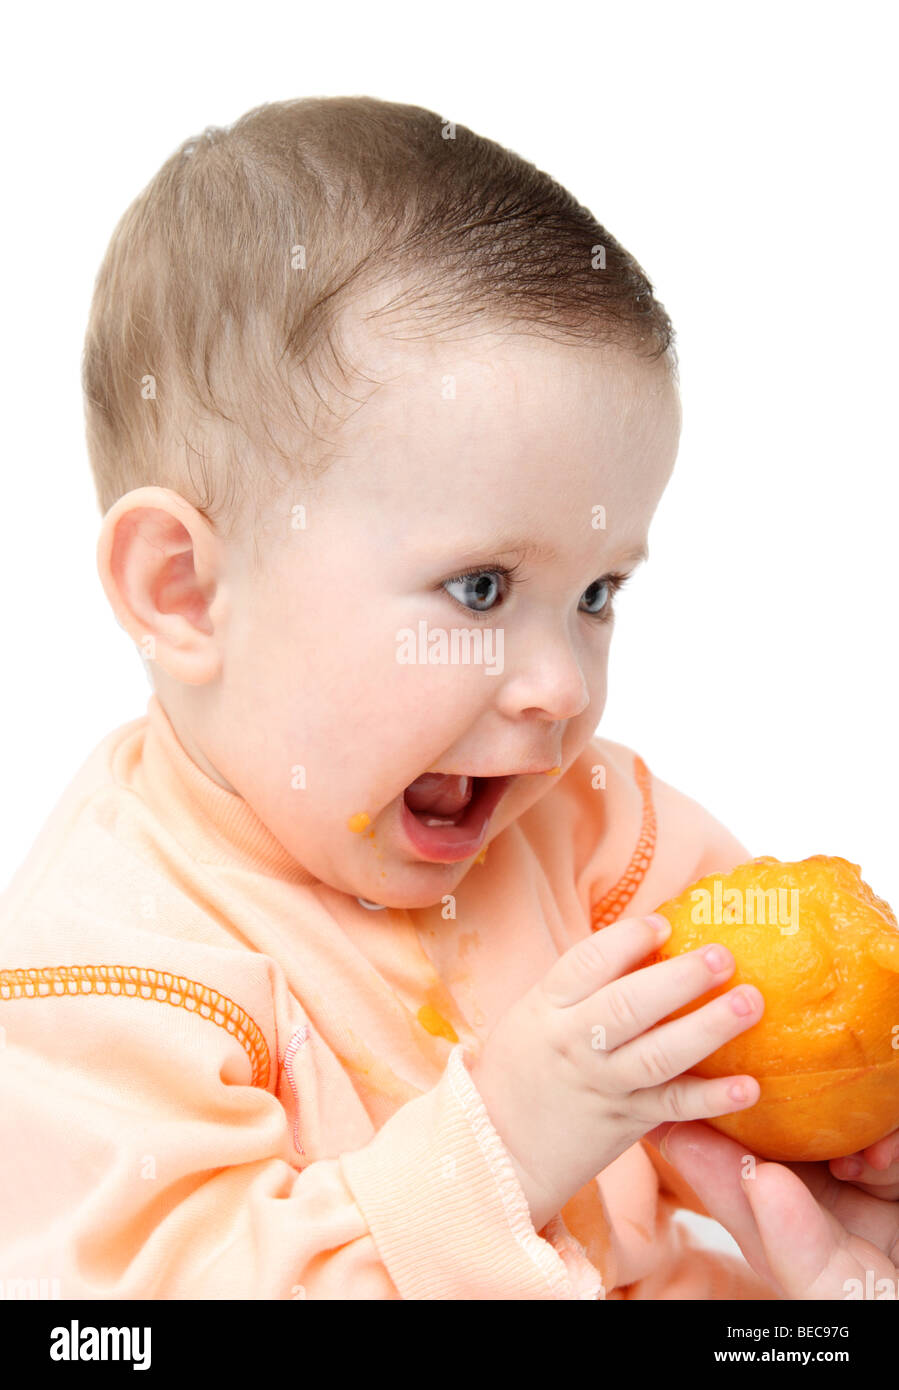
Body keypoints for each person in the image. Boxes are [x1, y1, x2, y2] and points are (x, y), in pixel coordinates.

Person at [2, 95, 896, 1300]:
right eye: (479, 588)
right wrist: (503, 1151)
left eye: (593, 593)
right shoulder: (106, 975)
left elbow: (746, 1108)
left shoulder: (592, 836)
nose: (560, 687)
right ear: (186, 591)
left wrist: (832, 1168)